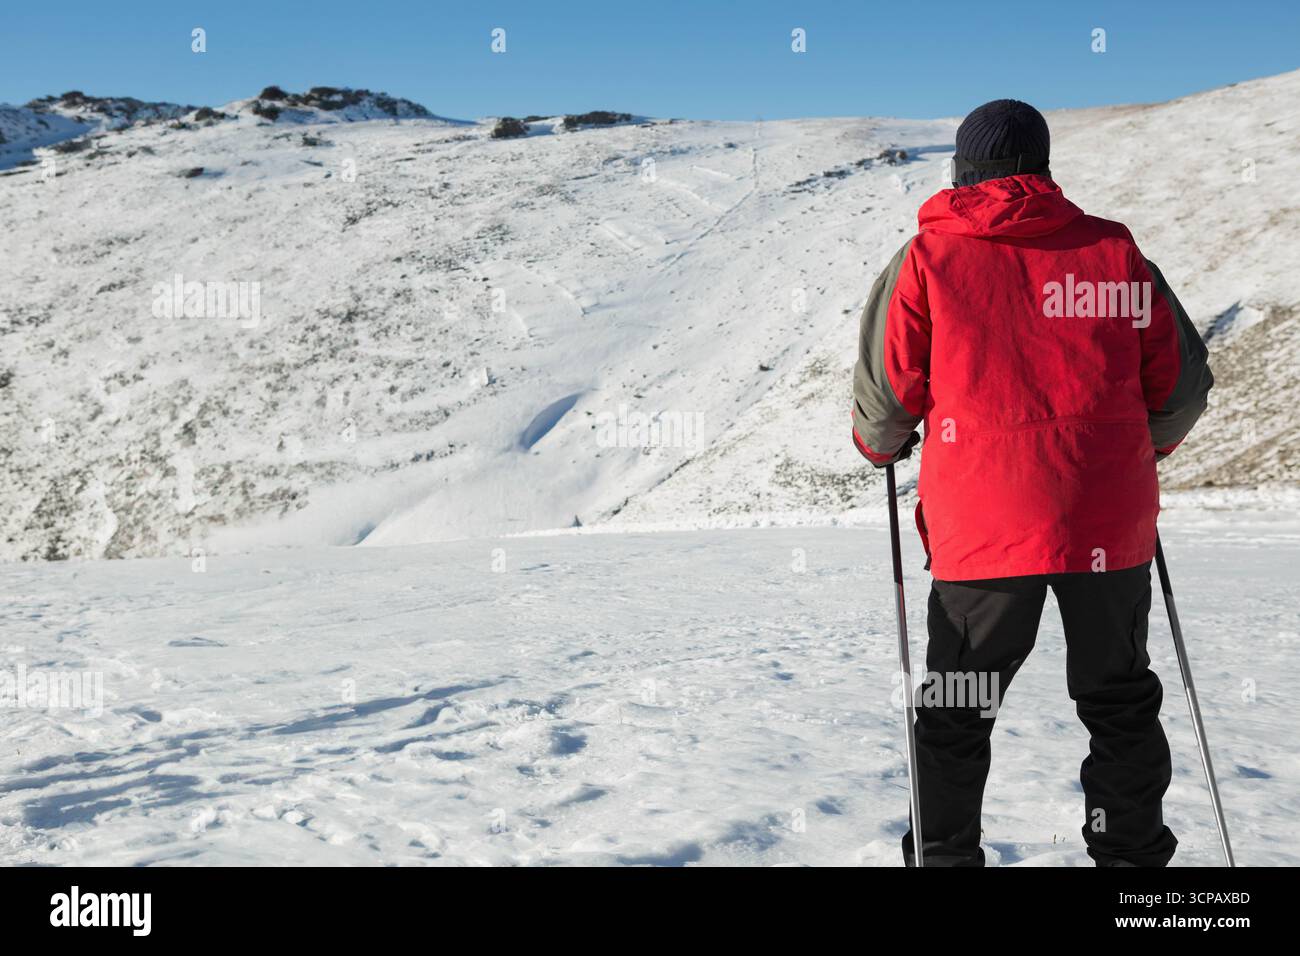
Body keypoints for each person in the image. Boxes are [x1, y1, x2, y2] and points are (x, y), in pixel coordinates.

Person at [851, 99, 1213, 866]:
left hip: (984, 530)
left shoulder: (929, 258)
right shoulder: (1114, 252)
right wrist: (1129, 452)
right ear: (1045, 169)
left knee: (958, 710)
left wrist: (879, 446)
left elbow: (887, 397)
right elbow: (1181, 388)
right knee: (1119, 702)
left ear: (962, 171)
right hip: (1107, 521)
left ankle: (946, 859)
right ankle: (1133, 868)